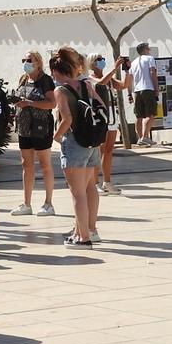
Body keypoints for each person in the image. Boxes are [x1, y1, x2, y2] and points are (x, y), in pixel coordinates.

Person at [51, 47, 103, 248]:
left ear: (56, 71)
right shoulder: (86, 84)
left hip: (74, 142)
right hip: (91, 141)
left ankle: (82, 237)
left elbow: (67, 119)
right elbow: (101, 107)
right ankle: (91, 229)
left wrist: (56, 136)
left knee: (77, 192)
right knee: (90, 187)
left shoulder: (60, 90)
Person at [8, 50, 57, 218]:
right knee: (26, 164)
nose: (26, 62)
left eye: (29, 60)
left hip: (41, 127)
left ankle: (48, 203)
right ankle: (26, 203)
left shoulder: (46, 80)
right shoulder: (23, 79)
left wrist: (30, 103)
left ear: (38, 62)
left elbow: (52, 103)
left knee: (45, 164)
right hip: (24, 127)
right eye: (24, 59)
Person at [87, 54, 131, 195]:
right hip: (100, 116)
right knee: (98, 151)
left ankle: (107, 181)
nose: (101, 62)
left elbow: (124, 85)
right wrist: (114, 67)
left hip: (112, 115)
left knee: (109, 150)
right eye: (98, 60)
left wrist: (127, 70)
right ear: (91, 63)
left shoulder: (110, 79)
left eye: (102, 59)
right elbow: (100, 83)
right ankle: (94, 183)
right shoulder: (90, 78)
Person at [129, 43, 159, 147]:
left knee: (139, 116)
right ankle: (145, 137)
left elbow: (130, 79)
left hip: (137, 91)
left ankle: (140, 138)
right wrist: (156, 87)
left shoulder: (133, 62)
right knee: (150, 114)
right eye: (148, 48)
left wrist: (129, 93)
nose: (149, 50)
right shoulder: (150, 59)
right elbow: (152, 73)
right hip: (148, 89)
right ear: (144, 50)